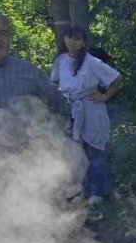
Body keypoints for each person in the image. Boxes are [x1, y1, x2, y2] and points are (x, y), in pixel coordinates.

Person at [51, 24, 122, 204]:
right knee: (73, 151)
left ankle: (98, 192)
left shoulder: (91, 61)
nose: (73, 42)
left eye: (78, 38)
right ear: (65, 38)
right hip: (70, 108)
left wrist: (105, 96)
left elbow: (116, 78)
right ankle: (78, 190)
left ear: (83, 42)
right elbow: (53, 83)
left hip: (91, 108)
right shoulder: (60, 60)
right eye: (70, 37)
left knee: (95, 150)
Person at [0, 9, 67, 115]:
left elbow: (62, 105)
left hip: (18, 131)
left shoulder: (29, 73)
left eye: (3, 33)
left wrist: (51, 128)